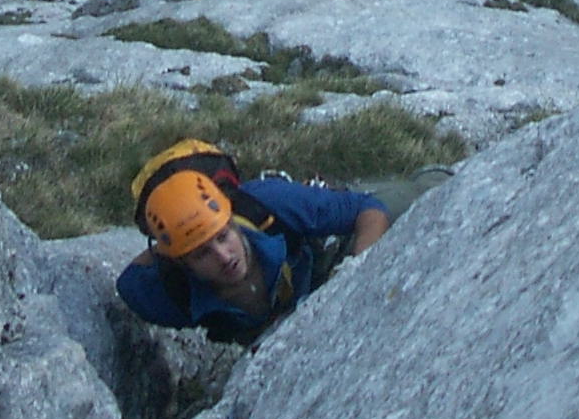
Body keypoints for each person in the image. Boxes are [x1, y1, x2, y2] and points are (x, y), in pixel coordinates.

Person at [115, 138, 391, 344]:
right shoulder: (169, 291)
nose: (224, 256)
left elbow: (369, 209)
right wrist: (173, 240)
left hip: (332, 246)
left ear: (232, 221)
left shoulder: (269, 202)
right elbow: (128, 283)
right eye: (201, 254)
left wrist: (354, 273)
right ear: (181, 263)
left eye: (223, 236)